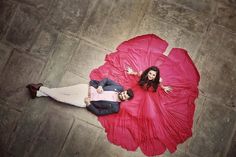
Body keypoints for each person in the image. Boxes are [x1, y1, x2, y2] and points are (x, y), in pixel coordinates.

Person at [89, 34, 200, 156]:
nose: (151, 76)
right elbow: (137, 74)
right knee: (126, 107)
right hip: (136, 90)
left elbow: (159, 86)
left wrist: (165, 87)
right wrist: (131, 72)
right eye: (150, 74)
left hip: (150, 97)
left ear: (155, 76)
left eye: (153, 75)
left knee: (151, 116)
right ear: (148, 73)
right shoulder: (142, 74)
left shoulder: (158, 81)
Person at [26, 78, 134, 116]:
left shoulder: (115, 108)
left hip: (84, 101)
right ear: (123, 91)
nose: (123, 94)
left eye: (125, 96)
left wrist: (89, 104)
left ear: (126, 99)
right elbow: (106, 79)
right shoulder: (118, 87)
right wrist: (100, 86)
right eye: (124, 93)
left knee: (60, 98)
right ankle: (39, 91)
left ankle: (40, 90)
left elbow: (100, 112)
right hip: (85, 89)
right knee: (60, 91)